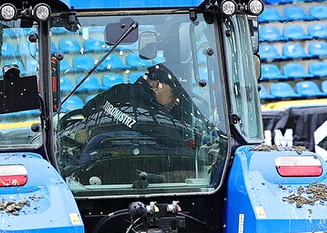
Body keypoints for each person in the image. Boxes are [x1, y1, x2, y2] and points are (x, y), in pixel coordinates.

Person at [57, 62, 222, 185]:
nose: (176, 101)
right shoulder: (157, 119)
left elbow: (87, 111)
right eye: (173, 93)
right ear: (157, 85)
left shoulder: (117, 90)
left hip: (93, 172)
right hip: (129, 173)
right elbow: (182, 154)